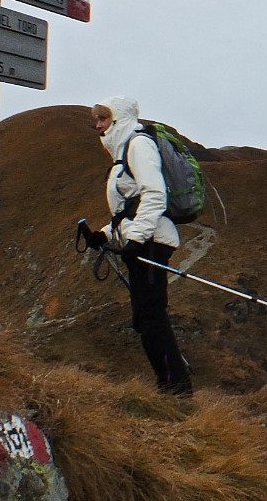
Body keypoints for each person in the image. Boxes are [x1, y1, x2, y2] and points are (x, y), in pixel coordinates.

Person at [79, 96, 194, 396]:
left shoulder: (138, 145)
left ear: (119, 118)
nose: (99, 125)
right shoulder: (122, 156)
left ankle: (177, 390)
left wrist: (137, 238)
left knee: (151, 317)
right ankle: (171, 384)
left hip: (151, 243)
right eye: (97, 120)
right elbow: (128, 209)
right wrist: (104, 235)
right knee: (146, 318)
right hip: (143, 241)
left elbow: (154, 195)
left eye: (104, 118)